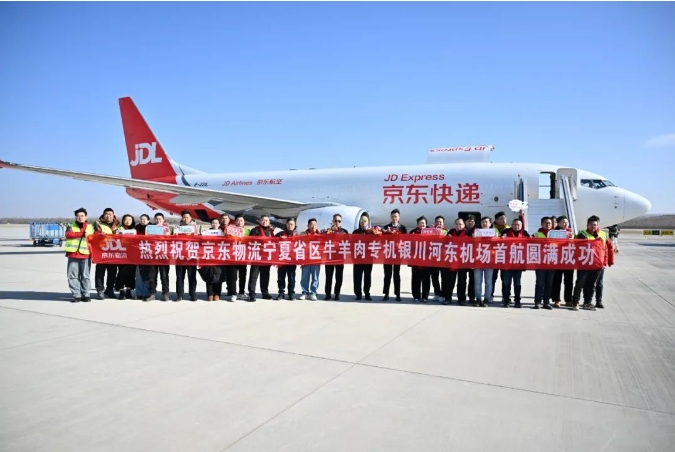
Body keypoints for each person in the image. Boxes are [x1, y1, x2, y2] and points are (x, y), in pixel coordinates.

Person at [570, 215, 610, 311]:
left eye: (595, 225)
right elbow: (578, 246)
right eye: (591, 224)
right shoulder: (582, 234)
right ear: (587, 225)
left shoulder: (602, 234)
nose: (593, 226)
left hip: (596, 265)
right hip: (584, 264)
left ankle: (587, 302)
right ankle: (575, 302)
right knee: (580, 283)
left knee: (591, 285)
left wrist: (604, 263)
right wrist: (595, 241)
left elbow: (605, 250)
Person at [64, 207, 94, 303]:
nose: (80, 217)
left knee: (85, 276)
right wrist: (82, 233)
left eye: (82, 216)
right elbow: (68, 235)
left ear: (86, 217)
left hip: (85, 255)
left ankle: (86, 294)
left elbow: (95, 238)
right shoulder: (70, 226)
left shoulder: (91, 227)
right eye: (78, 216)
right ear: (75, 217)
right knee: (73, 276)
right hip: (73, 254)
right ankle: (76, 295)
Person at [501, 217, 530, 308]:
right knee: (506, 283)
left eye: (518, 225)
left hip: (518, 263)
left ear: (521, 226)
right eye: (514, 224)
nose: (516, 226)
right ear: (511, 225)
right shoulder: (506, 232)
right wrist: (502, 238)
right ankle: (506, 300)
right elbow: (499, 242)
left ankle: (517, 300)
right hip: (507, 262)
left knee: (517, 283)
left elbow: (531, 243)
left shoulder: (524, 233)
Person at [247, 214, 275, 301]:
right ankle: (252, 293)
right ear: (259, 221)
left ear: (269, 222)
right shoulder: (255, 230)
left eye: (266, 220)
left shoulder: (271, 231)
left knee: (265, 276)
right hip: (256, 256)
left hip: (266, 257)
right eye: (263, 220)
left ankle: (265, 293)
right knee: (253, 276)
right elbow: (249, 242)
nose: (264, 222)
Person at [381, 208, 407, 301]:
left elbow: (406, 240)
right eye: (393, 217)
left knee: (396, 274)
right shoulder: (386, 227)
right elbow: (381, 240)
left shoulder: (402, 228)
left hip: (397, 254)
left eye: (396, 216)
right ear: (390, 217)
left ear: (399, 217)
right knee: (387, 274)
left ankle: (398, 294)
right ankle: (386, 293)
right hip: (388, 254)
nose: (394, 218)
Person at [174, 210, 200, 301]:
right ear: (182, 218)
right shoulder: (177, 228)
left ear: (191, 218)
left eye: (187, 217)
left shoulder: (196, 227)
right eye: (184, 217)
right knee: (179, 276)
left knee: (192, 276)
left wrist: (196, 235)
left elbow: (200, 240)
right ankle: (179, 295)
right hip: (180, 255)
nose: (186, 219)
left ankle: (192, 294)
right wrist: (174, 235)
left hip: (191, 255)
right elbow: (173, 240)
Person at [94, 207, 119, 299]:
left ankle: (109, 290)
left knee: (112, 273)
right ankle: (100, 290)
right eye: (106, 214)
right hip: (102, 252)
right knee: (100, 272)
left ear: (113, 215)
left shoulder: (118, 226)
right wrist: (99, 235)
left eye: (110, 214)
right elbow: (94, 236)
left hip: (114, 253)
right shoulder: (98, 225)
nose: (108, 216)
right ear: (103, 215)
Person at [323, 213, 349, 300]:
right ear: (332, 221)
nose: (337, 222)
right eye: (335, 220)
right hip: (330, 256)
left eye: (339, 221)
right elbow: (322, 240)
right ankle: (328, 294)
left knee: (339, 277)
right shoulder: (328, 231)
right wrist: (329, 232)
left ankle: (337, 293)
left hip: (340, 257)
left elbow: (348, 242)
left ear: (341, 222)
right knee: (329, 277)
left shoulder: (344, 232)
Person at [445, 218, 470, 305]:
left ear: (464, 225)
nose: (458, 226)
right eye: (457, 224)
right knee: (450, 281)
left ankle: (461, 299)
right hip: (452, 259)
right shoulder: (451, 232)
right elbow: (445, 243)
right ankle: (448, 298)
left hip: (463, 260)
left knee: (462, 281)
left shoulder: (467, 233)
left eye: (460, 224)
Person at [531, 216, 555, 310]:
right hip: (540, 263)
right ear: (541, 224)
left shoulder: (557, 234)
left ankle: (546, 302)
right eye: (545, 223)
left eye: (549, 223)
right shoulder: (536, 234)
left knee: (549, 283)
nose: (547, 224)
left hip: (552, 262)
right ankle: (537, 302)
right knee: (540, 283)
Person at [552, 215, 574, 308]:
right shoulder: (553, 232)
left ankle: (568, 299)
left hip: (568, 259)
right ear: (558, 223)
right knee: (557, 281)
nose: (565, 224)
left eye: (567, 222)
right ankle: (556, 299)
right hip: (557, 260)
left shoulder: (571, 233)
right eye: (563, 222)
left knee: (569, 281)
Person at [114, 214, 137, 300]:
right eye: (126, 219)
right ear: (123, 220)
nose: (127, 221)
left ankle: (129, 291)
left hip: (132, 254)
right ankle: (121, 291)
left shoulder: (135, 229)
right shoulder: (119, 229)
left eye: (130, 220)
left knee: (131, 273)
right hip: (122, 254)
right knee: (121, 272)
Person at [473, 216, 494, 307]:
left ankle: (487, 299)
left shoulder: (494, 232)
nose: (484, 223)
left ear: (490, 223)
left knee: (488, 282)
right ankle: (478, 299)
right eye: (483, 222)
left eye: (486, 222)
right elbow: (472, 243)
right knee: (477, 281)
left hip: (490, 260)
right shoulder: (476, 232)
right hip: (478, 259)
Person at [201, 218, 224, 301]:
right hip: (208, 256)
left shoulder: (222, 232)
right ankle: (210, 293)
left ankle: (217, 293)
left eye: (216, 223)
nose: (215, 224)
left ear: (219, 224)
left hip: (219, 256)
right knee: (209, 275)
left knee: (218, 275)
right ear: (211, 224)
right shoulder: (206, 232)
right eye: (213, 223)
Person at [409, 216, 431, 303]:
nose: (422, 225)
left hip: (427, 260)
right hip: (415, 260)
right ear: (417, 224)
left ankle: (425, 296)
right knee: (416, 279)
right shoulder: (413, 232)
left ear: (426, 224)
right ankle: (416, 296)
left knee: (426, 279)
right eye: (420, 223)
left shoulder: (430, 232)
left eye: (423, 223)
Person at [275, 217, 298, 300]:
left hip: (292, 261)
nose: (290, 226)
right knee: (281, 278)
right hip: (282, 260)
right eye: (288, 224)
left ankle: (291, 293)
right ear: (286, 224)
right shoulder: (280, 234)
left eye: (292, 224)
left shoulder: (297, 236)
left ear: (294, 225)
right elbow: (273, 244)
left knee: (291, 278)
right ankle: (281, 293)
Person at [298, 218, 321, 300]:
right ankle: (305, 292)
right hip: (306, 260)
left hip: (316, 260)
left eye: (315, 224)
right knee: (305, 278)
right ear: (308, 225)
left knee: (315, 278)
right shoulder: (303, 235)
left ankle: (313, 293)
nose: (313, 226)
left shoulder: (321, 235)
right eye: (311, 224)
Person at [352, 214, 373, 300]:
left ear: (368, 222)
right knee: (357, 277)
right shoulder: (355, 232)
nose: (363, 223)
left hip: (368, 259)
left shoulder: (372, 232)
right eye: (361, 221)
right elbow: (351, 245)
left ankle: (367, 293)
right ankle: (358, 294)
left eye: (365, 221)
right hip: (358, 258)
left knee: (367, 277)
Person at [429, 215, 449, 302]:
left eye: (440, 222)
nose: (439, 223)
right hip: (434, 258)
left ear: (443, 223)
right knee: (434, 277)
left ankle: (443, 294)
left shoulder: (446, 231)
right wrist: (431, 231)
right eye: (437, 222)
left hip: (443, 258)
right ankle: (437, 293)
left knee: (444, 278)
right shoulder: (431, 231)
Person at [231, 214, 249, 300]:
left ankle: (241, 292)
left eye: (241, 220)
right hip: (233, 256)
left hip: (243, 256)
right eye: (238, 220)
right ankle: (233, 294)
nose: (239, 222)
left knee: (243, 275)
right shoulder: (231, 230)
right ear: (235, 221)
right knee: (233, 276)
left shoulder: (247, 231)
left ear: (244, 222)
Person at [134, 214, 152, 301]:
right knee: (138, 275)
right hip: (138, 253)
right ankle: (139, 293)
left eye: (144, 219)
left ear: (148, 220)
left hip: (149, 254)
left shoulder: (152, 227)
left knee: (146, 275)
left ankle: (146, 293)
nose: (143, 221)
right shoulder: (136, 228)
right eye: (141, 219)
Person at [464, 214, 477, 304]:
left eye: (472, 221)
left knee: (473, 279)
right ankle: (461, 297)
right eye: (468, 221)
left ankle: (472, 296)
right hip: (463, 258)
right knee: (462, 280)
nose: (470, 223)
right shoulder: (461, 230)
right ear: (465, 222)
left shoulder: (478, 231)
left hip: (474, 259)